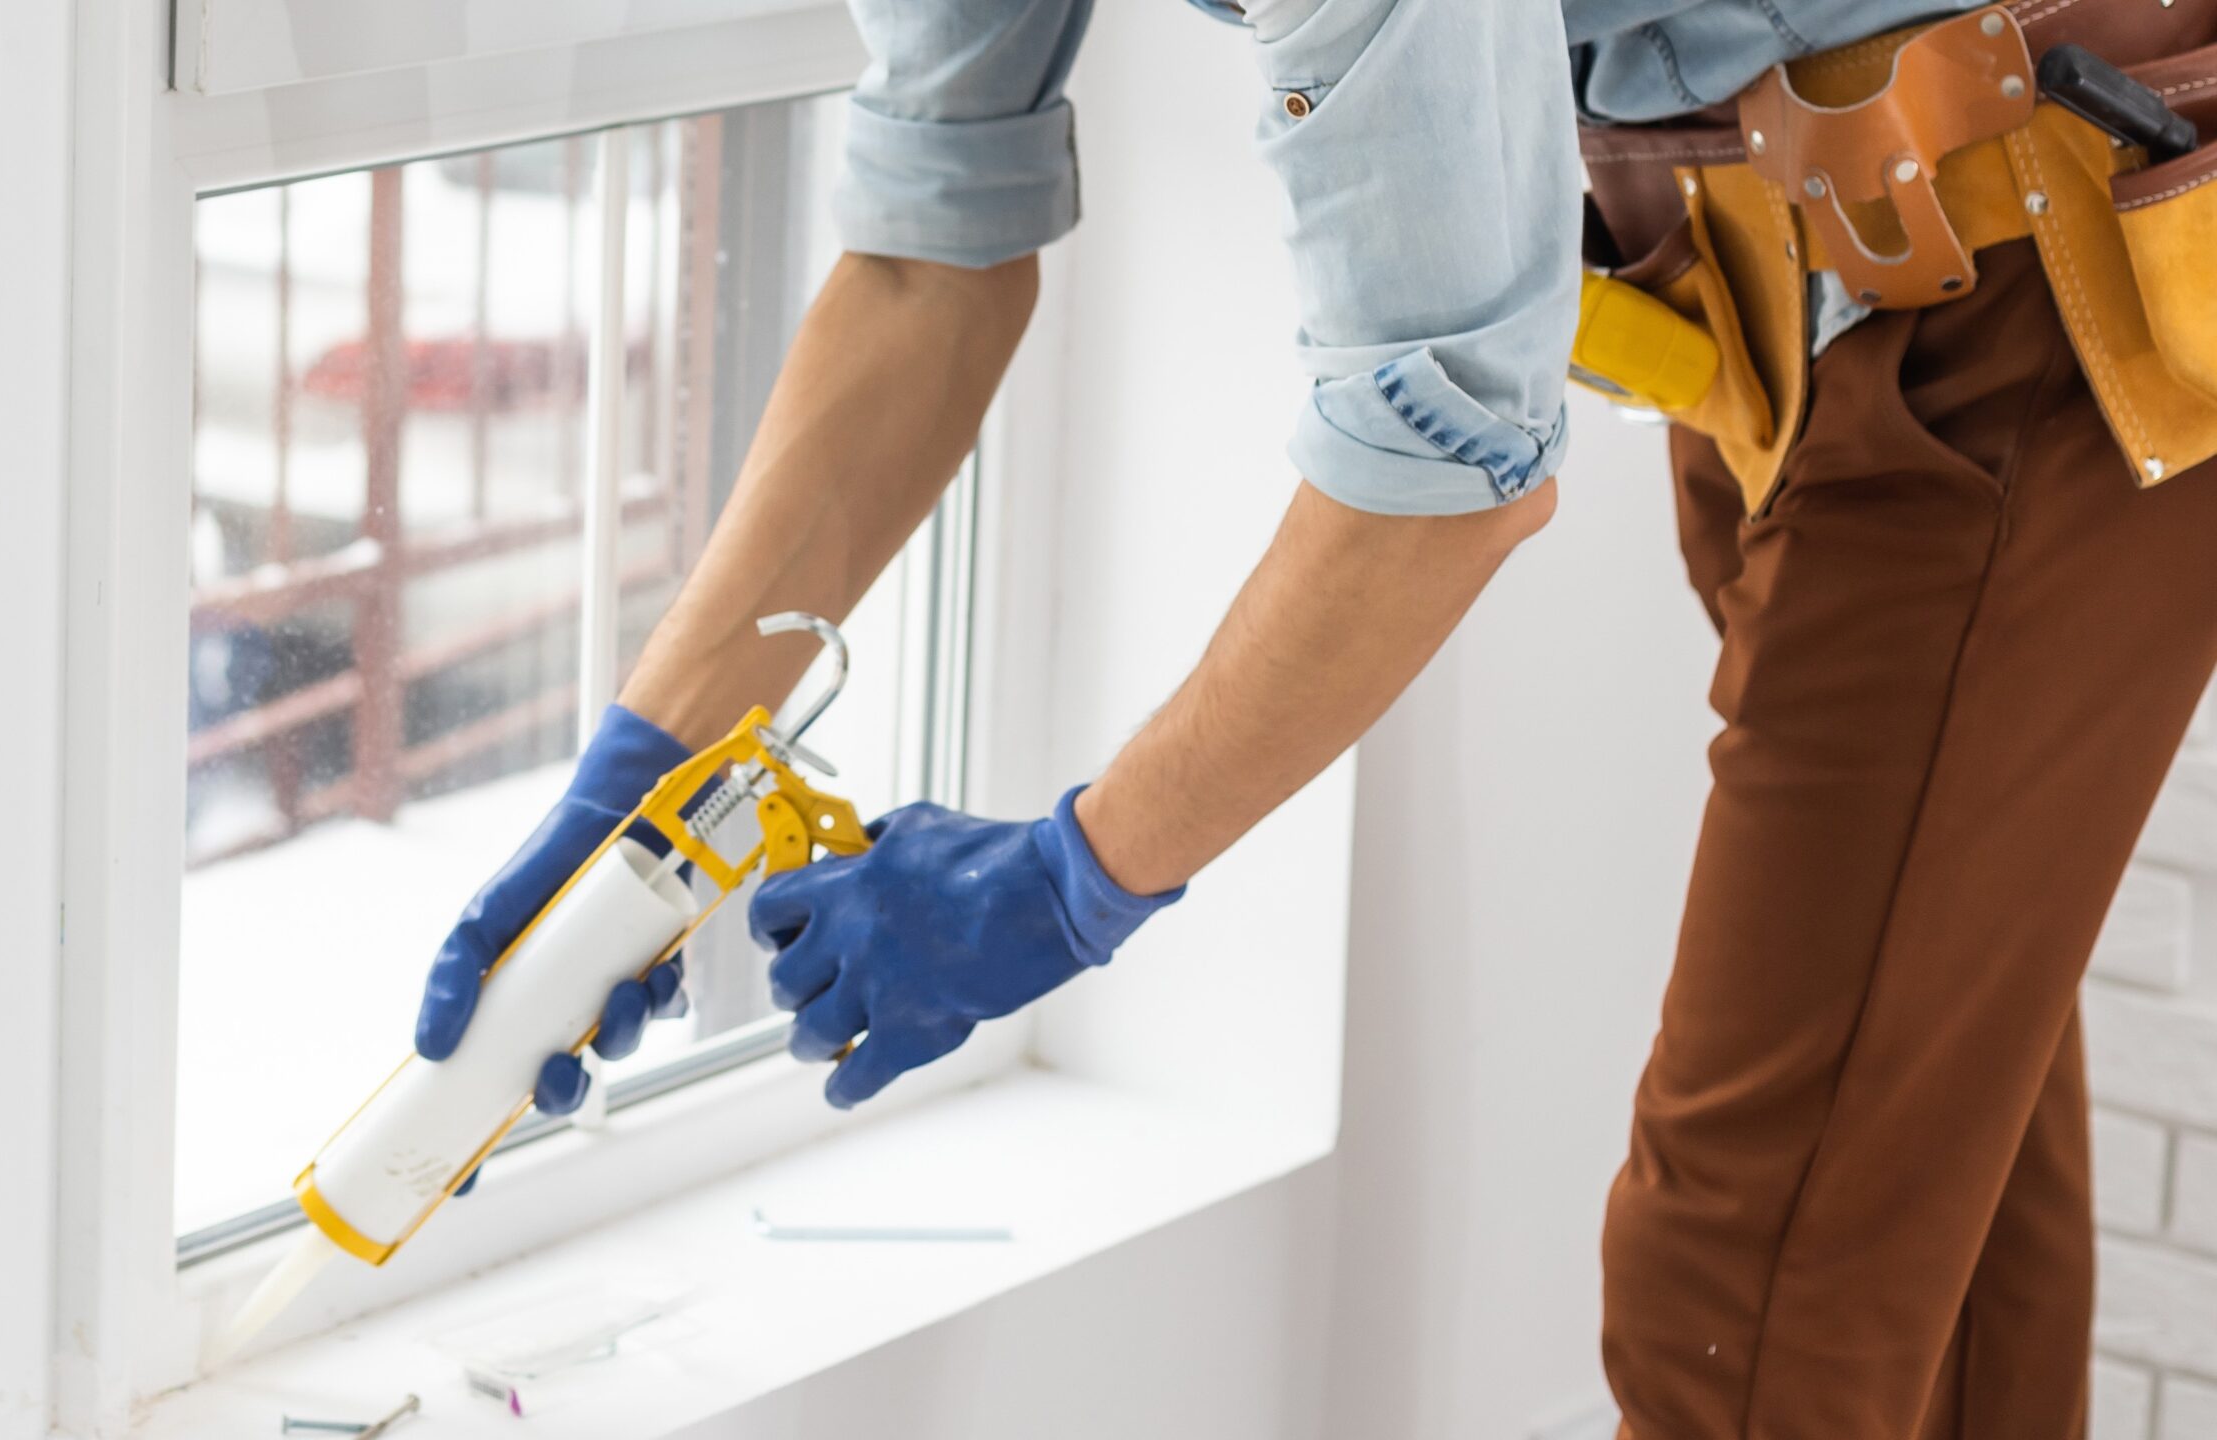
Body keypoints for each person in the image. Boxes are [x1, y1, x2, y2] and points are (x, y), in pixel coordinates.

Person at [413, 2, 2217, 1435]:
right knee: (1920, 1172)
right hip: (1779, 311)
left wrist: (1065, 883)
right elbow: (924, 251)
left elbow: (1448, 465)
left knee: (1734, 1311)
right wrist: (644, 764)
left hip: (2023, 305)